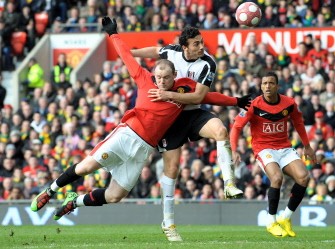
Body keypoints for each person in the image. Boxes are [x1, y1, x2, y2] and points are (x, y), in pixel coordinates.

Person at [30, 17, 250, 234]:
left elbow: (207, 97)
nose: (161, 81)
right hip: (126, 136)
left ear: (175, 75)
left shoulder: (182, 89)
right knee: (86, 167)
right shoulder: (143, 78)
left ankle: (74, 202)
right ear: (154, 74)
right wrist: (113, 34)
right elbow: (127, 55)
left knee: (115, 196)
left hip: (144, 149)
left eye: (166, 77)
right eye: (159, 77)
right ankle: (50, 191)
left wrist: (235, 101)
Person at [131, 25, 247, 240]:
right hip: (170, 119)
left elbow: (198, 97)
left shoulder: (208, 63)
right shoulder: (172, 52)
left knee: (221, 131)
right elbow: (155, 51)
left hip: (193, 113)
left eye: (202, 42)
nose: (202, 47)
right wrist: (131, 54)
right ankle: (169, 223)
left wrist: (166, 95)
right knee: (172, 169)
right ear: (185, 46)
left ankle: (229, 183)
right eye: (196, 44)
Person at [230, 71, 316, 238]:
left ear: (277, 86)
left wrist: (307, 146)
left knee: (304, 177)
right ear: (261, 86)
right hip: (263, 148)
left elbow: (298, 122)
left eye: (271, 83)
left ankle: (285, 218)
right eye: (264, 83)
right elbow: (236, 127)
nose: (267, 86)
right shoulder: (253, 105)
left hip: (284, 147)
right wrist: (234, 150)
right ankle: (271, 222)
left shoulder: (289, 103)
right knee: (277, 178)